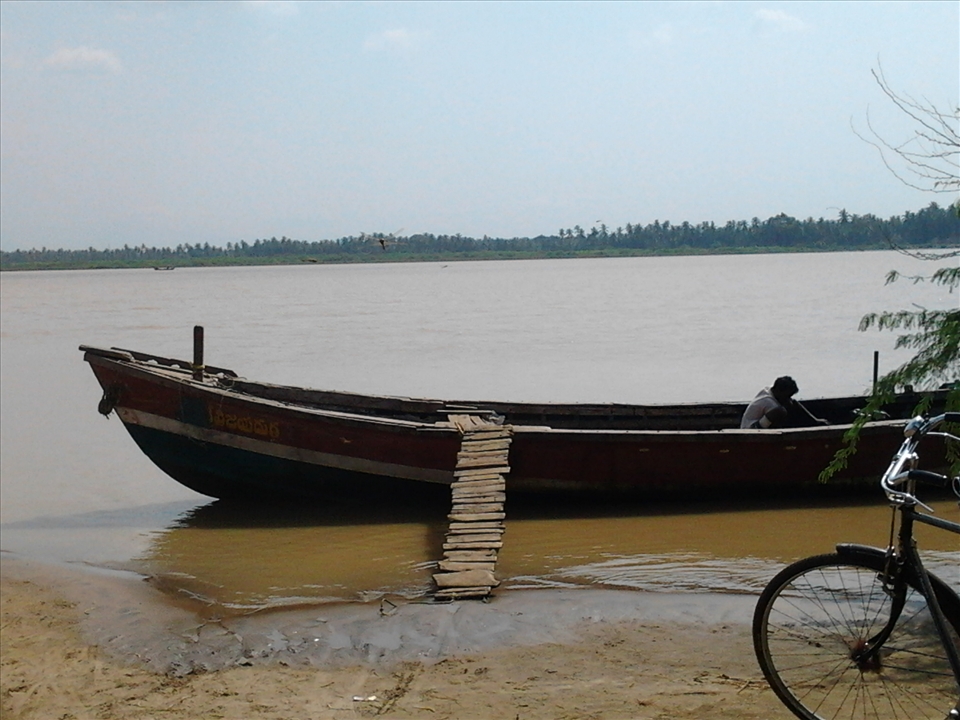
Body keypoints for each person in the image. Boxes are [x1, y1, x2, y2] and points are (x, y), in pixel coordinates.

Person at [740, 376, 828, 429]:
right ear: (779, 391)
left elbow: (792, 403)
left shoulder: (770, 390)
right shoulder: (768, 402)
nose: (788, 398)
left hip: (760, 423)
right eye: (787, 395)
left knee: (792, 403)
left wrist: (815, 421)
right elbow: (779, 414)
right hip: (752, 430)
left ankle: (815, 421)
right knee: (780, 411)